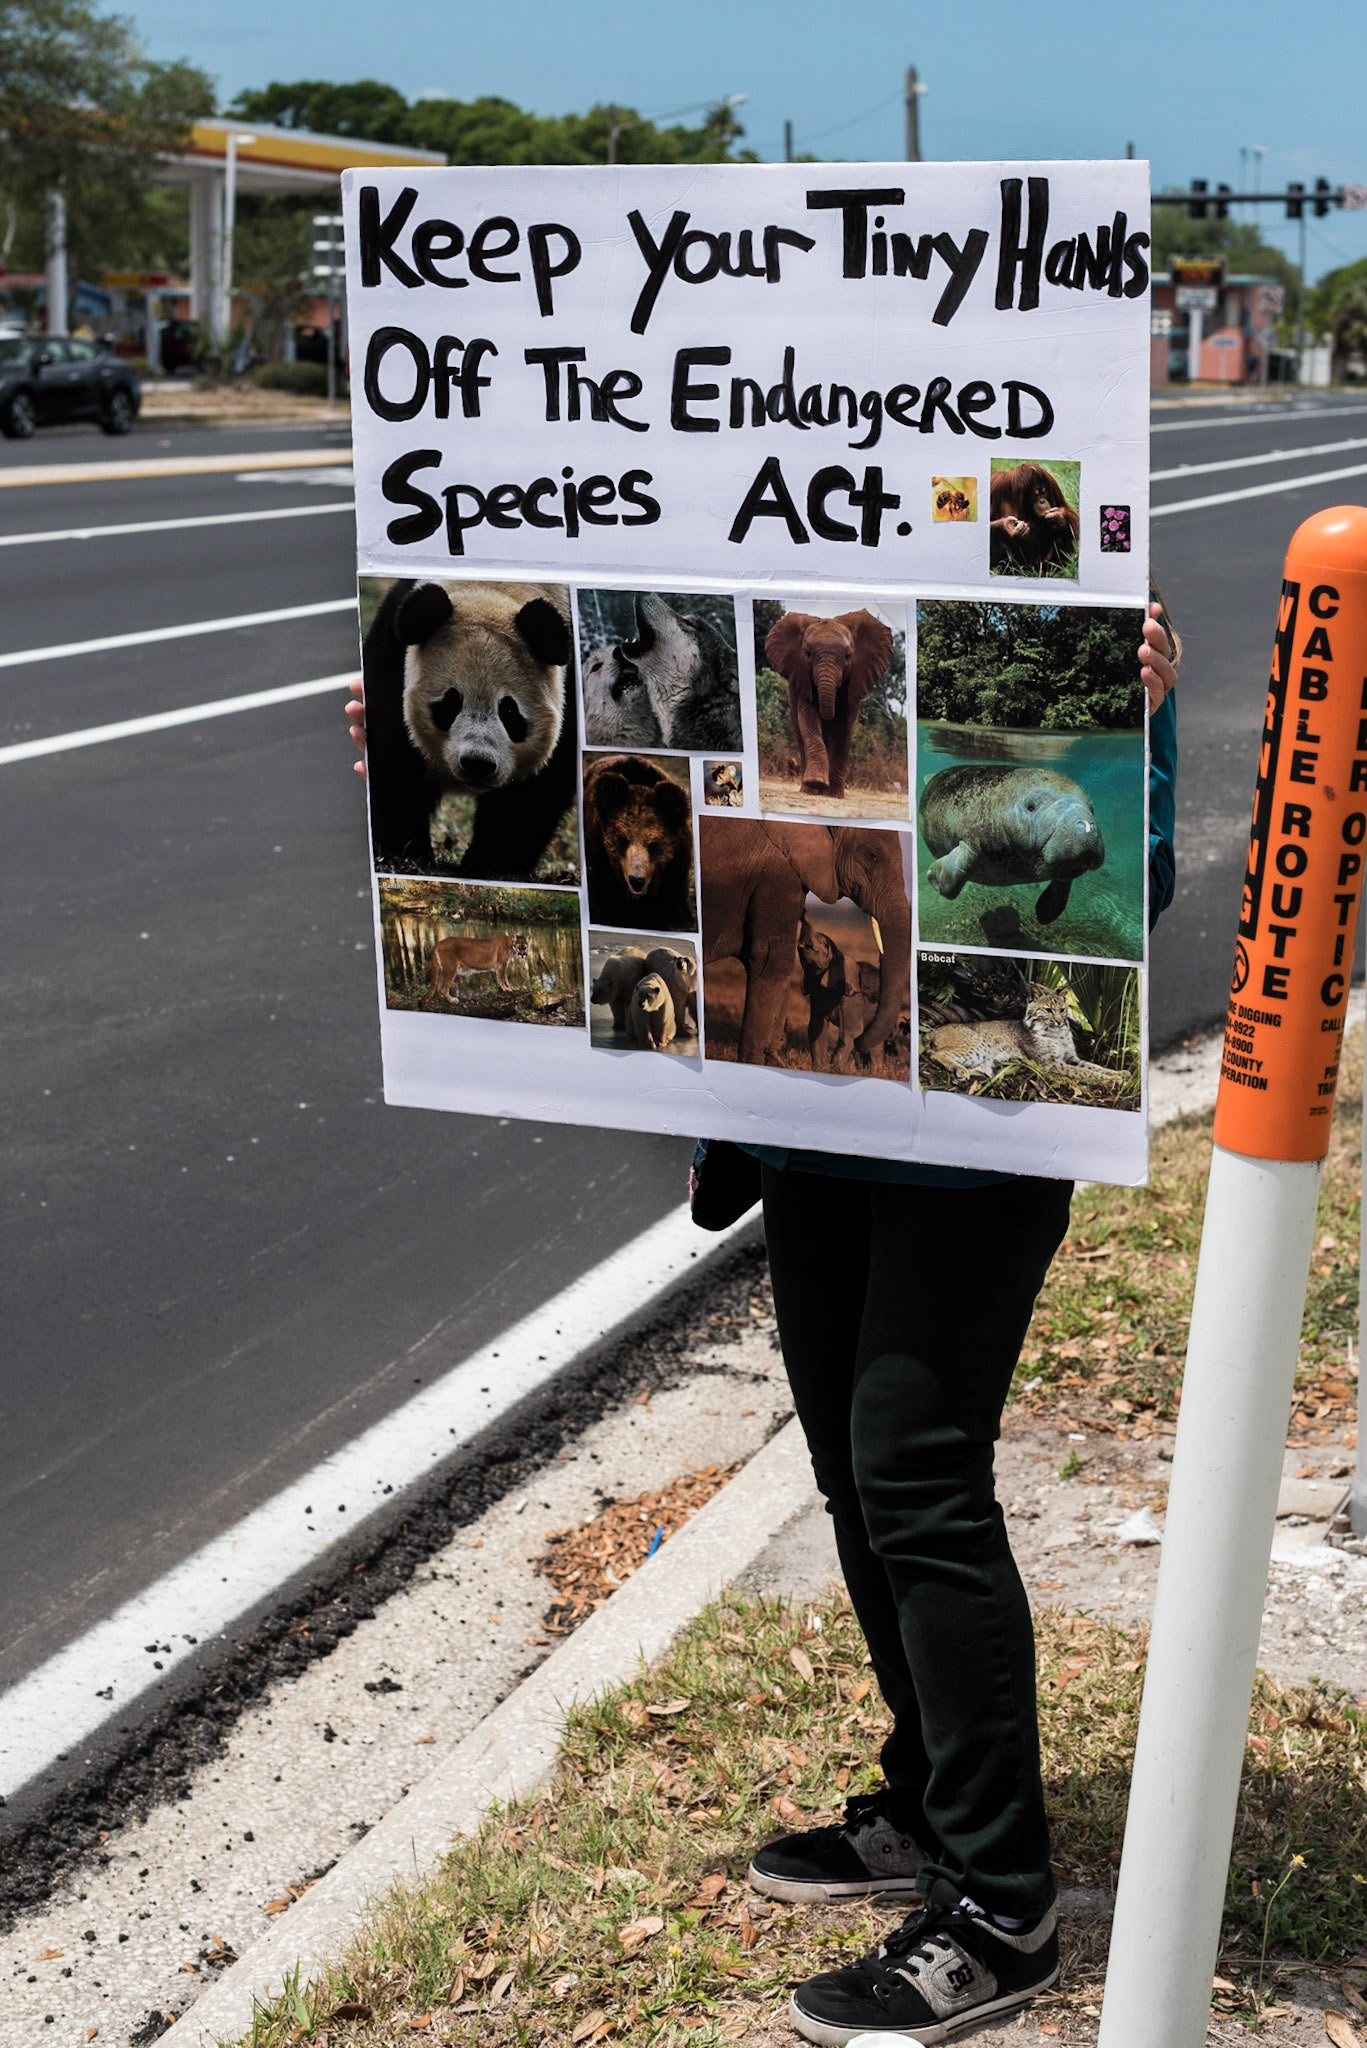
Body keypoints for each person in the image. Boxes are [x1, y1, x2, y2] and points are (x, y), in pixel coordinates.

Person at [346, 604, 1179, 2047]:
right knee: (854, 1474)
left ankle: (1002, 1900)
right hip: (807, 1120)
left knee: (919, 1479)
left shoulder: (1048, 596)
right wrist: (407, 776)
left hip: (970, 1133)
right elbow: (625, 810)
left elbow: (1138, 879)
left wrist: (1139, 711)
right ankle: (929, 1803)